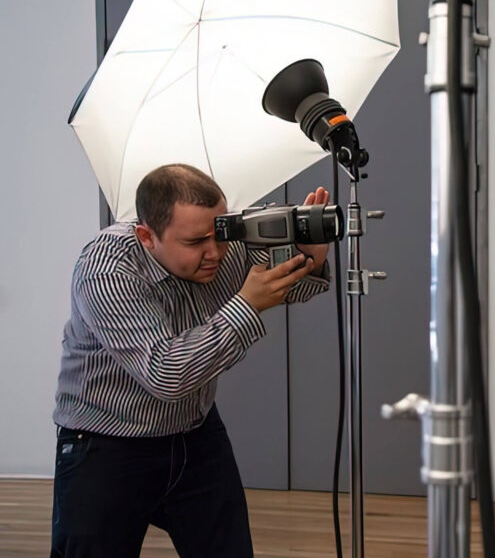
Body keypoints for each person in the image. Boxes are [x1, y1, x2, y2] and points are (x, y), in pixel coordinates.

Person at [51, 163, 333, 557]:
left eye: (218, 234)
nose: (215, 252)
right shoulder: (107, 268)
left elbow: (289, 289)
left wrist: (309, 260)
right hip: (106, 445)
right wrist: (247, 305)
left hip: (194, 433)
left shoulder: (224, 242)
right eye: (195, 242)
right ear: (147, 236)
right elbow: (166, 374)